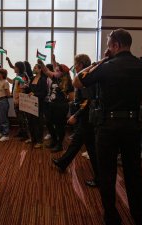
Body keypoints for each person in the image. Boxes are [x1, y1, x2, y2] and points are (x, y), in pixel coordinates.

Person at [73, 29, 142, 225]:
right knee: (134, 173)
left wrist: (100, 61)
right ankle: (141, 218)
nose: (108, 50)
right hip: (133, 124)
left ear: (114, 45)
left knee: (107, 173)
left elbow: (77, 81)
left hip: (108, 126)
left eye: (109, 46)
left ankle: (112, 217)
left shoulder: (106, 66)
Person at [52, 54, 99, 187]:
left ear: (81, 65)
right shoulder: (85, 76)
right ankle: (63, 162)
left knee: (87, 146)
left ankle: (100, 177)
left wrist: (76, 115)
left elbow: (87, 101)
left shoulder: (85, 78)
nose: (75, 66)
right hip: (85, 116)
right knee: (82, 144)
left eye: (76, 63)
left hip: (86, 116)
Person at [38, 55, 74, 152]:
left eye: (58, 71)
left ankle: (59, 144)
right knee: (48, 123)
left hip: (61, 107)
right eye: (56, 70)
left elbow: (71, 97)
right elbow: (46, 71)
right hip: (51, 105)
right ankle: (54, 140)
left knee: (59, 126)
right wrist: (41, 64)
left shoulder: (69, 83)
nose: (55, 72)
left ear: (63, 73)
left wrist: (64, 97)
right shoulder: (55, 78)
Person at [6, 60, 30, 140]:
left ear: (19, 68)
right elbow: (12, 82)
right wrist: (4, 76)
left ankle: (25, 134)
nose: (14, 68)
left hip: (20, 100)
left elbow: (23, 88)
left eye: (15, 67)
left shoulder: (23, 76)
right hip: (16, 99)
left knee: (22, 117)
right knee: (19, 117)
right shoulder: (18, 75)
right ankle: (21, 132)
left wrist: (19, 99)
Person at [25, 64, 48, 148]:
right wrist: (26, 87)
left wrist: (35, 94)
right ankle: (33, 138)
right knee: (30, 121)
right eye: (33, 68)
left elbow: (44, 93)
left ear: (40, 70)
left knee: (38, 122)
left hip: (39, 104)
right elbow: (30, 91)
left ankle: (39, 141)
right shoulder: (32, 79)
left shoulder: (43, 79)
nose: (33, 69)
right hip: (31, 103)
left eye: (35, 68)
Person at [0, 68, 11, 142]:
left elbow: (8, 94)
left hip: (3, 100)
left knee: (3, 118)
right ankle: (0, 132)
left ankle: (6, 135)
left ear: (2, 74)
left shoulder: (5, 82)